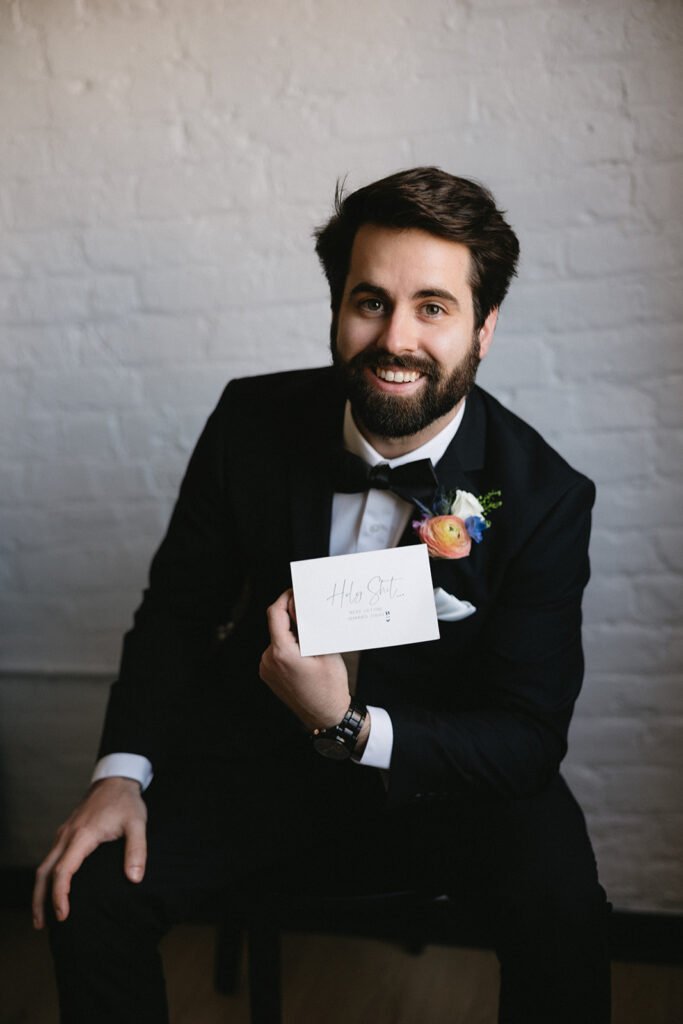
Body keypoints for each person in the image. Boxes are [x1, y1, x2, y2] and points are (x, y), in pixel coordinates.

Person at [33, 167, 611, 1022]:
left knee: (568, 921)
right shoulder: (248, 422)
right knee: (85, 892)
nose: (396, 337)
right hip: (260, 757)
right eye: (370, 300)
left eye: (433, 308)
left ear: (484, 330)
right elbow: (178, 611)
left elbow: (526, 737)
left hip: (445, 770)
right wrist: (119, 773)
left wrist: (352, 728)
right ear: (337, 309)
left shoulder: (542, 498)